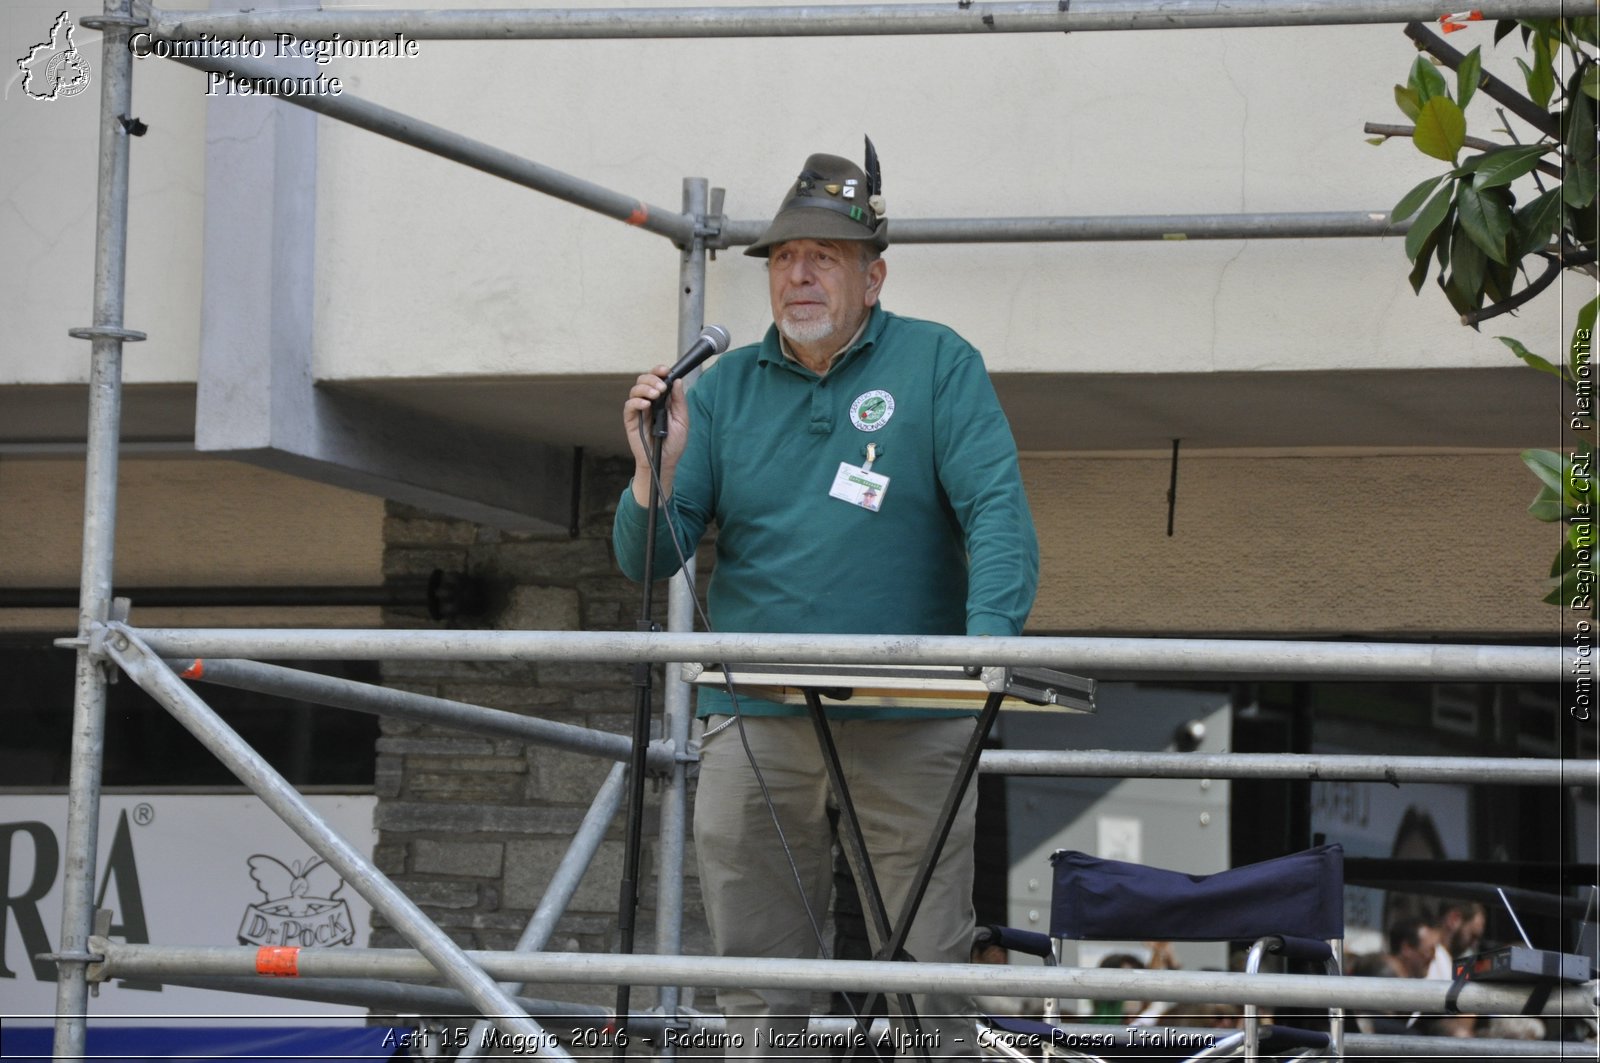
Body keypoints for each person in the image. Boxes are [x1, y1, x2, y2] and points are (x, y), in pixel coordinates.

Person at [614, 139, 1039, 1058]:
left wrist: (987, 646)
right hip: (754, 710)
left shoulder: (936, 364)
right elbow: (648, 556)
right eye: (784, 260)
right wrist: (657, 464)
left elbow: (997, 510)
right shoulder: (719, 391)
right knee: (758, 976)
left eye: (824, 258)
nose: (798, 276)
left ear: (873, 276)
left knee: (928, 962)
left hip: (913, 710)